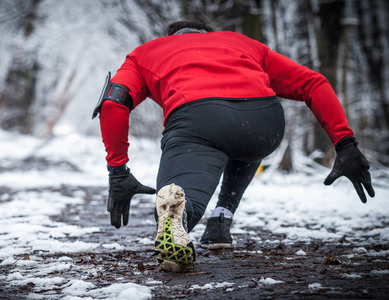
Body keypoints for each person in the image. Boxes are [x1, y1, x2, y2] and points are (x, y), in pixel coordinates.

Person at [92, 20, 375, 271]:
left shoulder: (147, 52)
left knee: (179, 202)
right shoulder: (242, 43)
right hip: (264, 121)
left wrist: (118, 170)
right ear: (208, 33)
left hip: (199, 120)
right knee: (245, 141)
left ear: (170, 36)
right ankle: (220, 221)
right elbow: (314, 83)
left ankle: (179, 219)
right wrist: (345, 143)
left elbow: (113, 103)